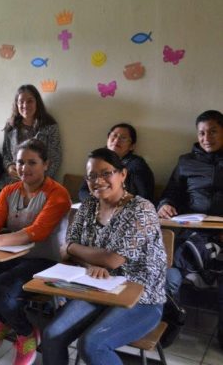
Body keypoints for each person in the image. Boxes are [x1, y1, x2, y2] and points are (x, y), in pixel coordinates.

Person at [42, 148, 166, 365]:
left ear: (123, 174)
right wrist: (89, 262)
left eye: (106, 173)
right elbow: (66, 248)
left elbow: (113, 260)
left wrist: (76, 249)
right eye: (91, 176)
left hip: (140, 298)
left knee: (92, 345)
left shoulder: (142, 209)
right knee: (52, 335)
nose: (97, 181)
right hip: (97, 290)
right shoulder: (88, 206)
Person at [0, 139, 71, 365]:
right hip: (12, 255)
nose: (24, 168)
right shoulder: (9, 190)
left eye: (32, 162)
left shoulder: (57, 194)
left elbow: (36, 233)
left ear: (46, 164)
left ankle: (26, 332)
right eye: (20, 162)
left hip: (45, 260)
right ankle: (4, 321)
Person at [157, 109, 223, 348]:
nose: (207, 138)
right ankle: (169, 322)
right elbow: (171, 192)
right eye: (202, 133)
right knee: (167, 272)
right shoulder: (186, 161)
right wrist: (165, 205)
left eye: (213, 131)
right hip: (193, 233)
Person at [78, 123, 155, 203]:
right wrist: (93, 203)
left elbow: (145, 197)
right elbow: (83, 191)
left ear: (132, 146)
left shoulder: (137, 166)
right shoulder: (97, 160)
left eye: (123, 138)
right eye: (114, 136)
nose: (116, 140)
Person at [2, 84, 61, 184]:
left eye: (30, 101)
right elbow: (5, 154)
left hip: (42, 182)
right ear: (16, 104)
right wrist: (9, 167)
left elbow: (55, 158)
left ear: (37, 102)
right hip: (15, 181)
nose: (25, 105)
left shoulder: (50, 126)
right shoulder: (10, 127)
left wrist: (40, 180)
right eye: (21, 102)